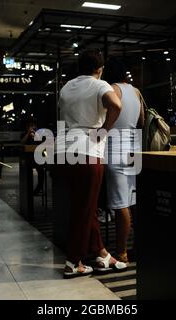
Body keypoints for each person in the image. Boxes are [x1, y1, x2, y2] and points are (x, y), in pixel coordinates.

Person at [57, 49, 127, 278]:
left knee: (84, 206)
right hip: (88, 151)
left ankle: (101, 254)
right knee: (84, 209)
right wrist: (105, 130)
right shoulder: (100, 85)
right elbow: (116, 105)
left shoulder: (66, 87)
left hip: (65, 151)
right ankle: (72, 262)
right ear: (100, 69)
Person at [103, 57, 145, 264]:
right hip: (134, 150)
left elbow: (105, 119)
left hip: (115, 150)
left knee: (121, 205)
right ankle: (137, 245)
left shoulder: (112, 90)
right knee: (133, 201)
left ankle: (121, 252)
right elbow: (142, 121)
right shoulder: (136, 92)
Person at [20, 118, 44, 195]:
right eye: (29, 126)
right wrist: (28, 134)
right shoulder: (24, 134)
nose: (31, 127)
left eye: (32, 125)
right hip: (28, 157)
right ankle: (28, 190)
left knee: (41, 171)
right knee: (27, 172)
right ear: (26, 127)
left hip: (38, 157)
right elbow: (22, 143)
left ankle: (38, 188)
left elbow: (42, 143)